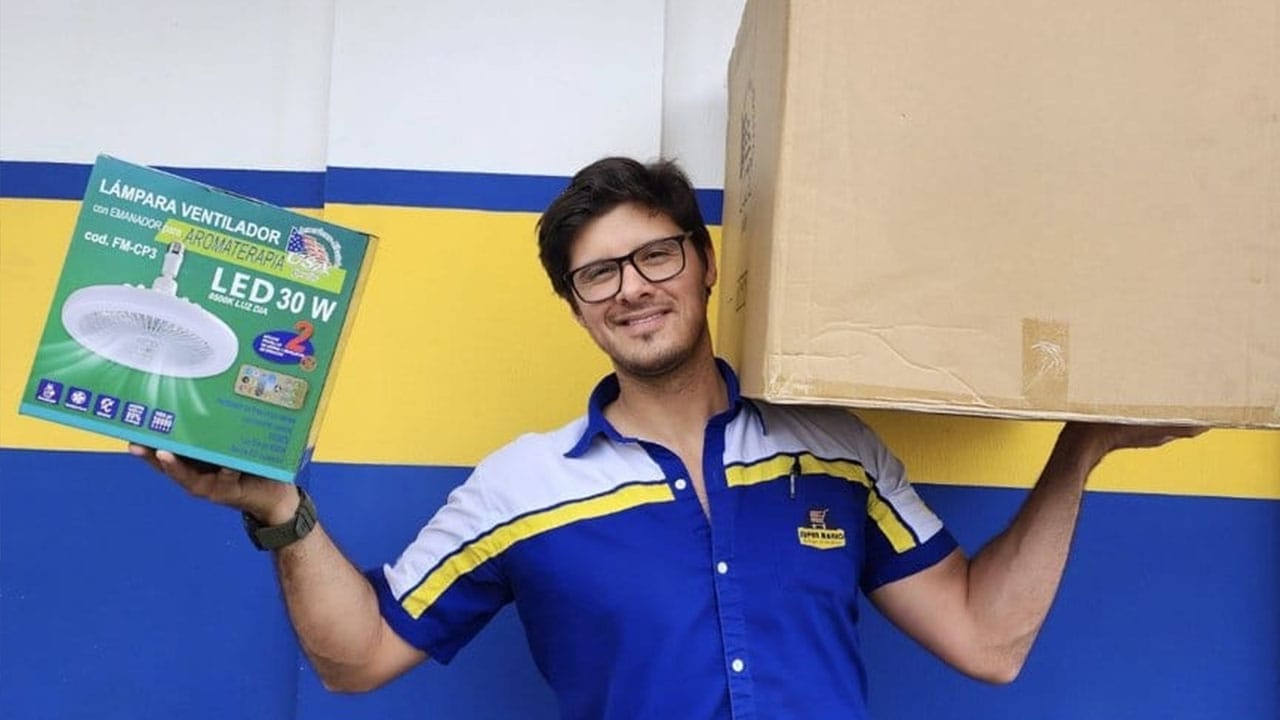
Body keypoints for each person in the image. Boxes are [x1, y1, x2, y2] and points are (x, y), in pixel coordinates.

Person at [132, 157, 1205, 719]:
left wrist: (1078, 450)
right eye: (598, 273)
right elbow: (354, 661)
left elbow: (988, 644)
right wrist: (280, 511)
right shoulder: (519, 488)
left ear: (701, 265)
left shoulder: (833, 452)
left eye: (653, 257)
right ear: (575, 306)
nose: (632, 289)